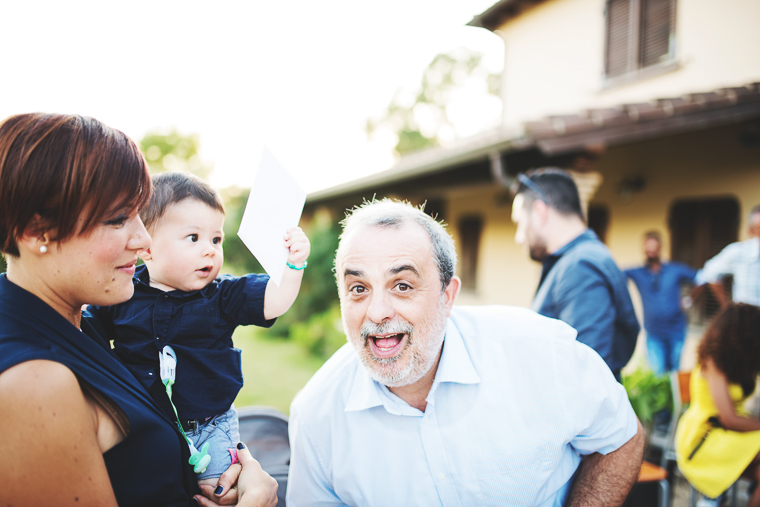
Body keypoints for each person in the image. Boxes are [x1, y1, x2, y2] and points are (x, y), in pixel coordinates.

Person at [287, 198, 645, 507]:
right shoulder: (317, 416)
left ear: (448, 295)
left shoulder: (542, 354)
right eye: (359, 288)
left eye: (402, 285)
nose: (377, 311)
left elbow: (621, 439)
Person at [0, 112, 278, 507]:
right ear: (36, 231)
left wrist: (235, 467)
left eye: (139, 213)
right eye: (118, 219)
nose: (145, 240)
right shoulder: (32, 383)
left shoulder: (76, 320)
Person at [88, 171, 310, 489]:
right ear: (147, 249)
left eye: (216, 239)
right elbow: (87, 327)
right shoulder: (123, 292)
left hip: (210, 427)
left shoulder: (222, 295)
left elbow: (274, 301)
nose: (209, 249)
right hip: (144, 425)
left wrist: (293, 267)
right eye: (194, 238)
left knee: (216, 492)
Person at [511, 168, 640, 381]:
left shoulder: (581, 267)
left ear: (540, 212)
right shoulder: (574, 260)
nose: (518, 237)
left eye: (519, 222)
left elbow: (585, 376)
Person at [675, 303, 760, 507]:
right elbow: (728, 419)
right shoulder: (713, 361)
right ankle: (711, 498)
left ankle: (712, 499)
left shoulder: (736, 362)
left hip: (727, 435)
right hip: (705, 437)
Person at [624, 230, 697, 375]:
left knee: (674, 373)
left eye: (654, 248)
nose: (651, 252)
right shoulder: (637, 273)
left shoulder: (675, 269)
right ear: (644, 249)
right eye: (648, 248)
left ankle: (674, 399)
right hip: (654, 334)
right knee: (658, 374)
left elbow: (702, 278)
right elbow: (615, 276)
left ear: (660, 249)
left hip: (676, 331)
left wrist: (689, 300)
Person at [696, 204, 760, 307]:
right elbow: (710, 272)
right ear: (751, 230)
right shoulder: (739, 252)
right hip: (748, 321)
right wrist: (727, 307)